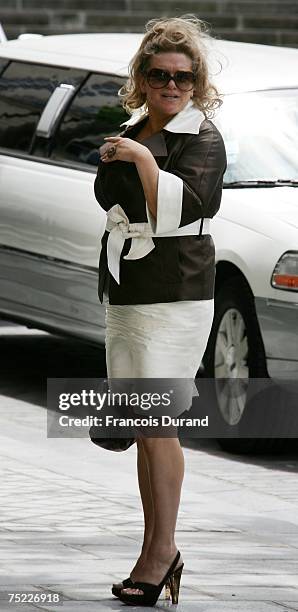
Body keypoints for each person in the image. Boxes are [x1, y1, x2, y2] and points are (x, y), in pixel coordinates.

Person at [93, 15, 227, 607]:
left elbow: (190, 206)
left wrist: (142, 163)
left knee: (158, 423)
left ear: (196, 82)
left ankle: (163, 550)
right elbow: (113, 200)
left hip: (175, 293)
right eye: (159, 74)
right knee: (145, 429)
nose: (172, 84)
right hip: (128, 290)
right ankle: (154, 548)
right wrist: (118, 156)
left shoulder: (204, 138)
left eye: (183, 76)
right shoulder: (133, 124)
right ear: (142, 78)